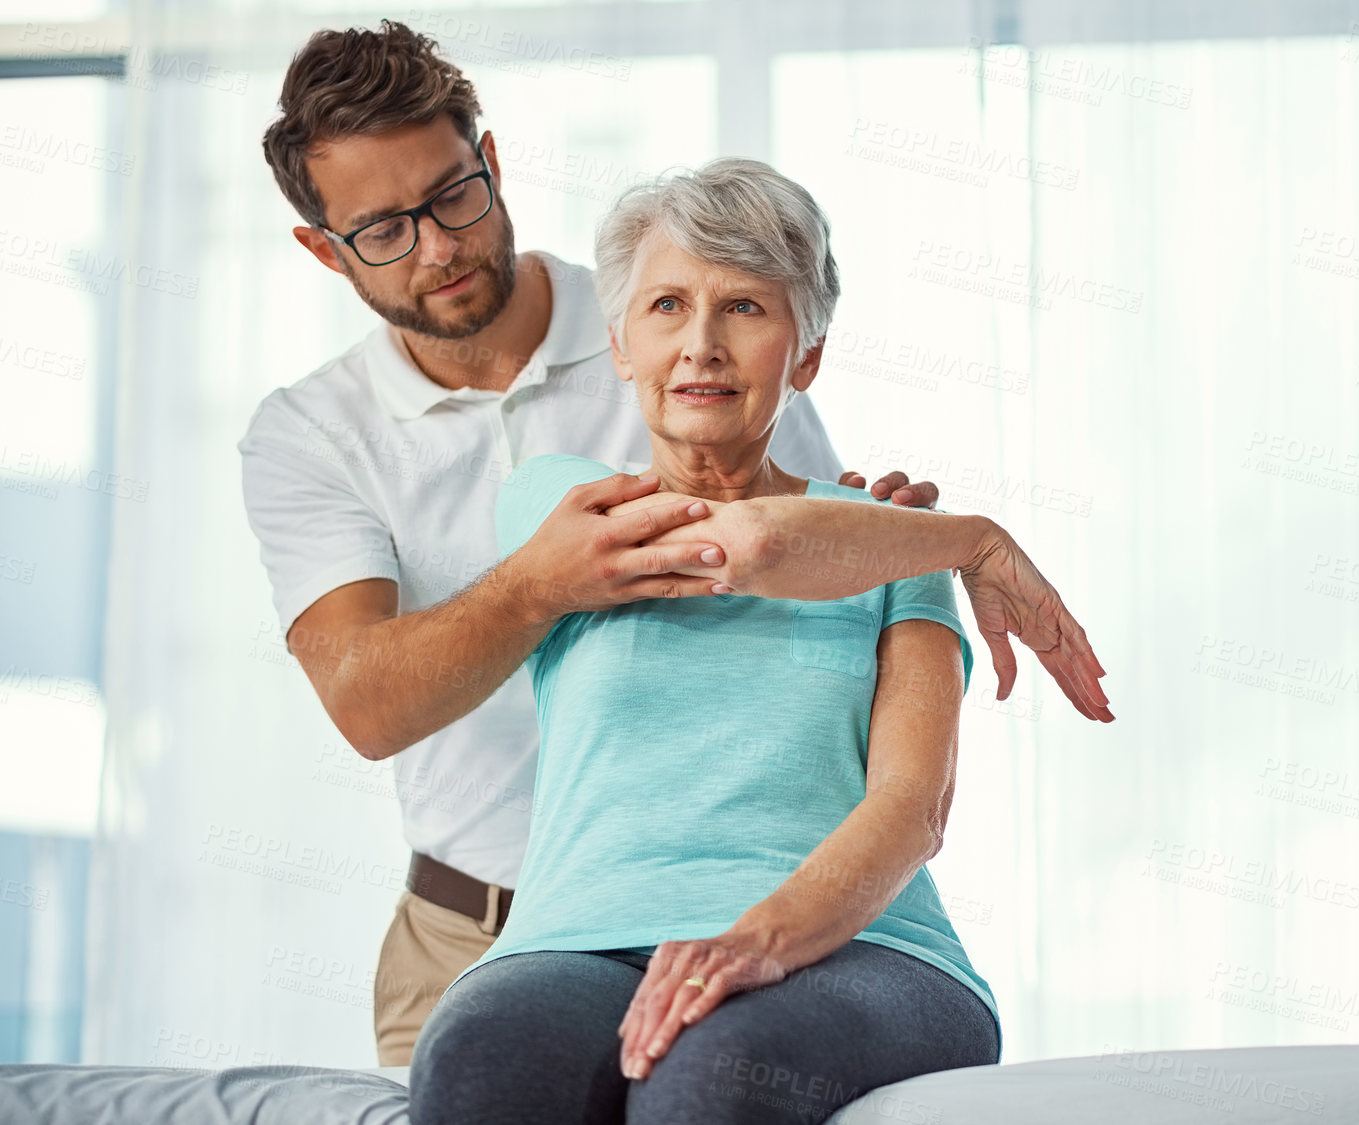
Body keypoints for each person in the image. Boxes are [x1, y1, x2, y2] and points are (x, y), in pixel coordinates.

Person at [240, 20, 952, 1065]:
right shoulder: (311, 435)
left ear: (489, 162)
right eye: (384, 229)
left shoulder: (674, 322)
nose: (438, 246)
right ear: (323, 249)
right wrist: (539, 588)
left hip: (725, 901)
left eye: (450, 197)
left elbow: (809, 574)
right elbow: (368, 702)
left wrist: (902, 538)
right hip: (470, 933)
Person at [408, 158, 1110, 1125]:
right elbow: (737, 545)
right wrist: (974, 539)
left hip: (863, 950)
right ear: (620, 344)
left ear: (806, 354)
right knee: (481, 1066)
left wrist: (759, 940)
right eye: (665, 305)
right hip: (574, 940)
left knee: (711, 1082)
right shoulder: (561, 504)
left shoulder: (892, 548)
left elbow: (912, 807)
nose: (700, 345)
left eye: (744, 307)